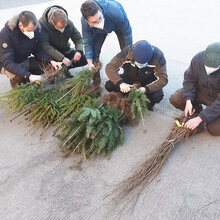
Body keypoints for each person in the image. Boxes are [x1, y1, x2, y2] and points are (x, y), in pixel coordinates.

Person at [170, 42, 220, 136]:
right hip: (200, 92)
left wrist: (201, 118)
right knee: (176, 98)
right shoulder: (198, 59)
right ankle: (196, 110)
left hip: (216, 100)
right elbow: (189, 79)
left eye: (215, 67)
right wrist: (189, 100)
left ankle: (202, 115)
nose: (211, 69)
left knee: (215, 130)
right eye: (208, 67)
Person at [0, 11, 61, 88]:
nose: (32, 33)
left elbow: (37, 50)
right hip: (8, 64)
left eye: (34, 30)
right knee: (21, 79)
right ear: (20, 25)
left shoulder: (35, 30)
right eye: (29, 31)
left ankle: (33, 77)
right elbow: (7, 62)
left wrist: (51, 60)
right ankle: (18, 85)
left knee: (49, 67)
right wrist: (29, 75)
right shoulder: (6, 34)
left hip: (23, 59)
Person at [105, 40, 168, 110]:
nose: (140, 65)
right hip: (129, 80)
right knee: (109, 85)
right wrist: (121, 83)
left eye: (142, 63)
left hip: (147, 83)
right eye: (137, 62)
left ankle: (147, 104)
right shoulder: (126, 52)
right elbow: (110, 67)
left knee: (157, 96)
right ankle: (124, 98)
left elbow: (163, 79)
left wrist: (145, 89)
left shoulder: (158, 56)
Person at [80, 0, 132, 84]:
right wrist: (89, 63)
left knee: (127, 51)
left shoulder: (115, 13)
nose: (99, 23)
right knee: (94, 54)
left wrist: (129, 50)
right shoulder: (85, 24)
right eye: (94, 21)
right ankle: (96, 81)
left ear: (100, 11)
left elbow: (126, 33)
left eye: (100, 18)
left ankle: (128, 76)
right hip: (98, 31)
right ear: (87, 20)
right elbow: (87, 43)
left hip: (115, 24)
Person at [39, 6, 87, 73]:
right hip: (51, 56)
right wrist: (62, 58)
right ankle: (59, 70)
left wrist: (79, 51)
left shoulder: (69, 23)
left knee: (84, 59)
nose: (62, 29)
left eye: (64, 26)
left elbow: (78, 39)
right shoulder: (42, 24)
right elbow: (45, 46)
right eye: (60, 27)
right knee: (49, 67)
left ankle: (63, 69)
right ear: (52, 22)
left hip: (65, 51)